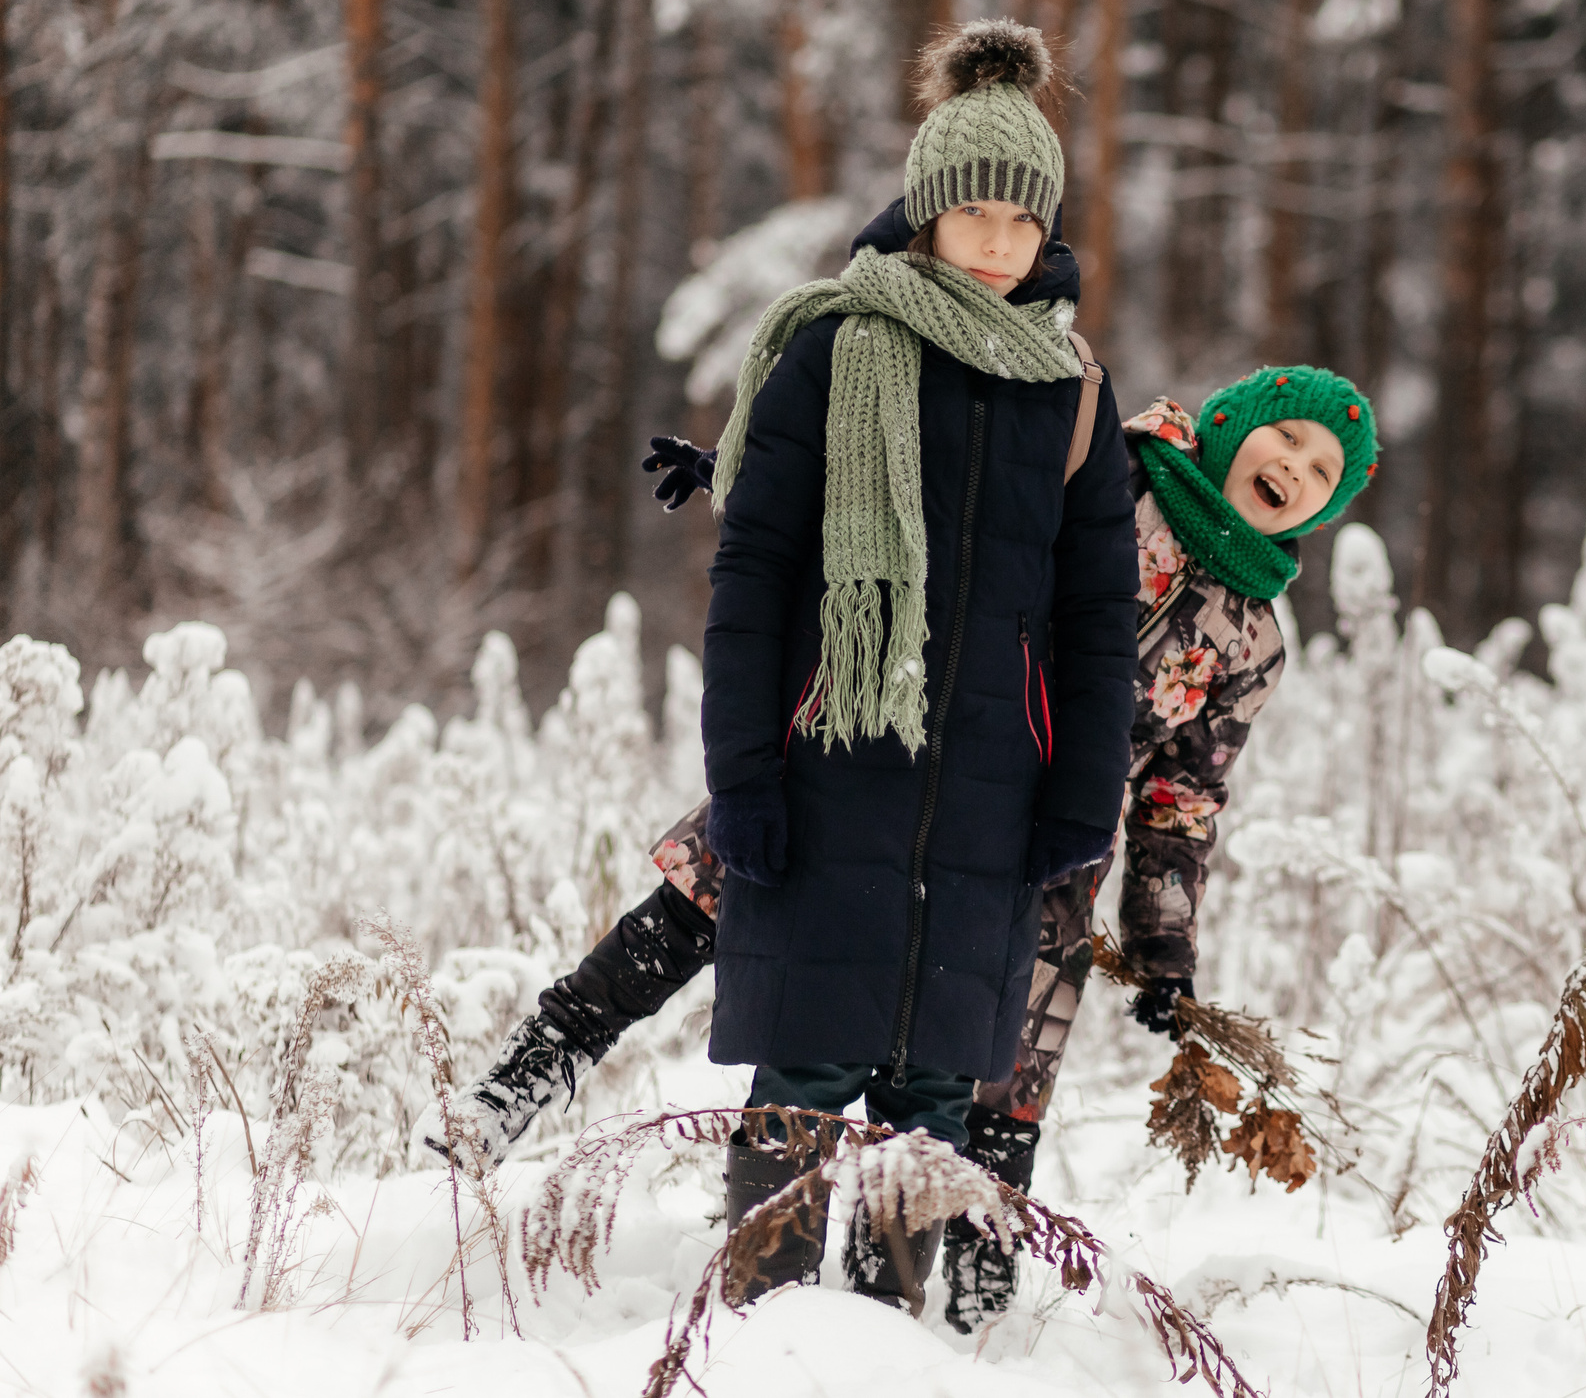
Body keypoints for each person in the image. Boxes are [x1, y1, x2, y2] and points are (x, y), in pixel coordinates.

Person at [426, 351, 1377, 1329]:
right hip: (894, 755)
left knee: (1000, 1080)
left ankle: (967, 1317)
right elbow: (921, 490)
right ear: (1230, 424)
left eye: (1322, 477)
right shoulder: (1098, 471)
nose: (1295, 470)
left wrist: (1162, 947)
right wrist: (749, 475)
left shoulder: (1252, 640)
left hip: (1042, 857)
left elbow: (1182, 800)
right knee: (697, 911)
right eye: (1290, 439)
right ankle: (506, 1095)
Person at [654, 16, 1140, 1313]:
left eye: (1019, 218)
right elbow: (752, 578)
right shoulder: (834, 348)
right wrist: (744, 769)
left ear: (1048, 230)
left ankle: (883, 1342)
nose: (994, 240)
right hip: (831, 778)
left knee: (931, 1108)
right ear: (925, 210)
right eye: (969, 210)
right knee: (807, 1078)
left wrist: (1083, 796)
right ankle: (756, 1325)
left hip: (990, 799)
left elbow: (1099, 623)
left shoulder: (1076, 389)